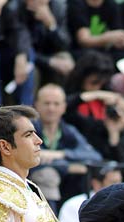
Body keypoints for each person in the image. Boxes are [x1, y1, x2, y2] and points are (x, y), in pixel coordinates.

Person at [30, 83, 102, 213]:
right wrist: (69, 167)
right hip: (32, 186)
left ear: (64, 107)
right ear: (36, 105)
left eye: (56, 104)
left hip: (68, 187)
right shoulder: (28, 129)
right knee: (47, 175)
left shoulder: (69, 130)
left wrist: (61, 155)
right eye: (47, 103)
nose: (51, 108)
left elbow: (94, 156)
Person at [64, 50, 124, 166]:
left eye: (101, 84)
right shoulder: (71, 97)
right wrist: (95, 95)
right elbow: (65, 109)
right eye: (94, 83)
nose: (97, 87)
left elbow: (123, 163)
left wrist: (114, 134)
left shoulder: (108, 103)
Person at [58, 161, 123, 222]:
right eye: (113, 182)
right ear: (96, 184)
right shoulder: (73, 205)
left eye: (120, 182)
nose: (120, 187)